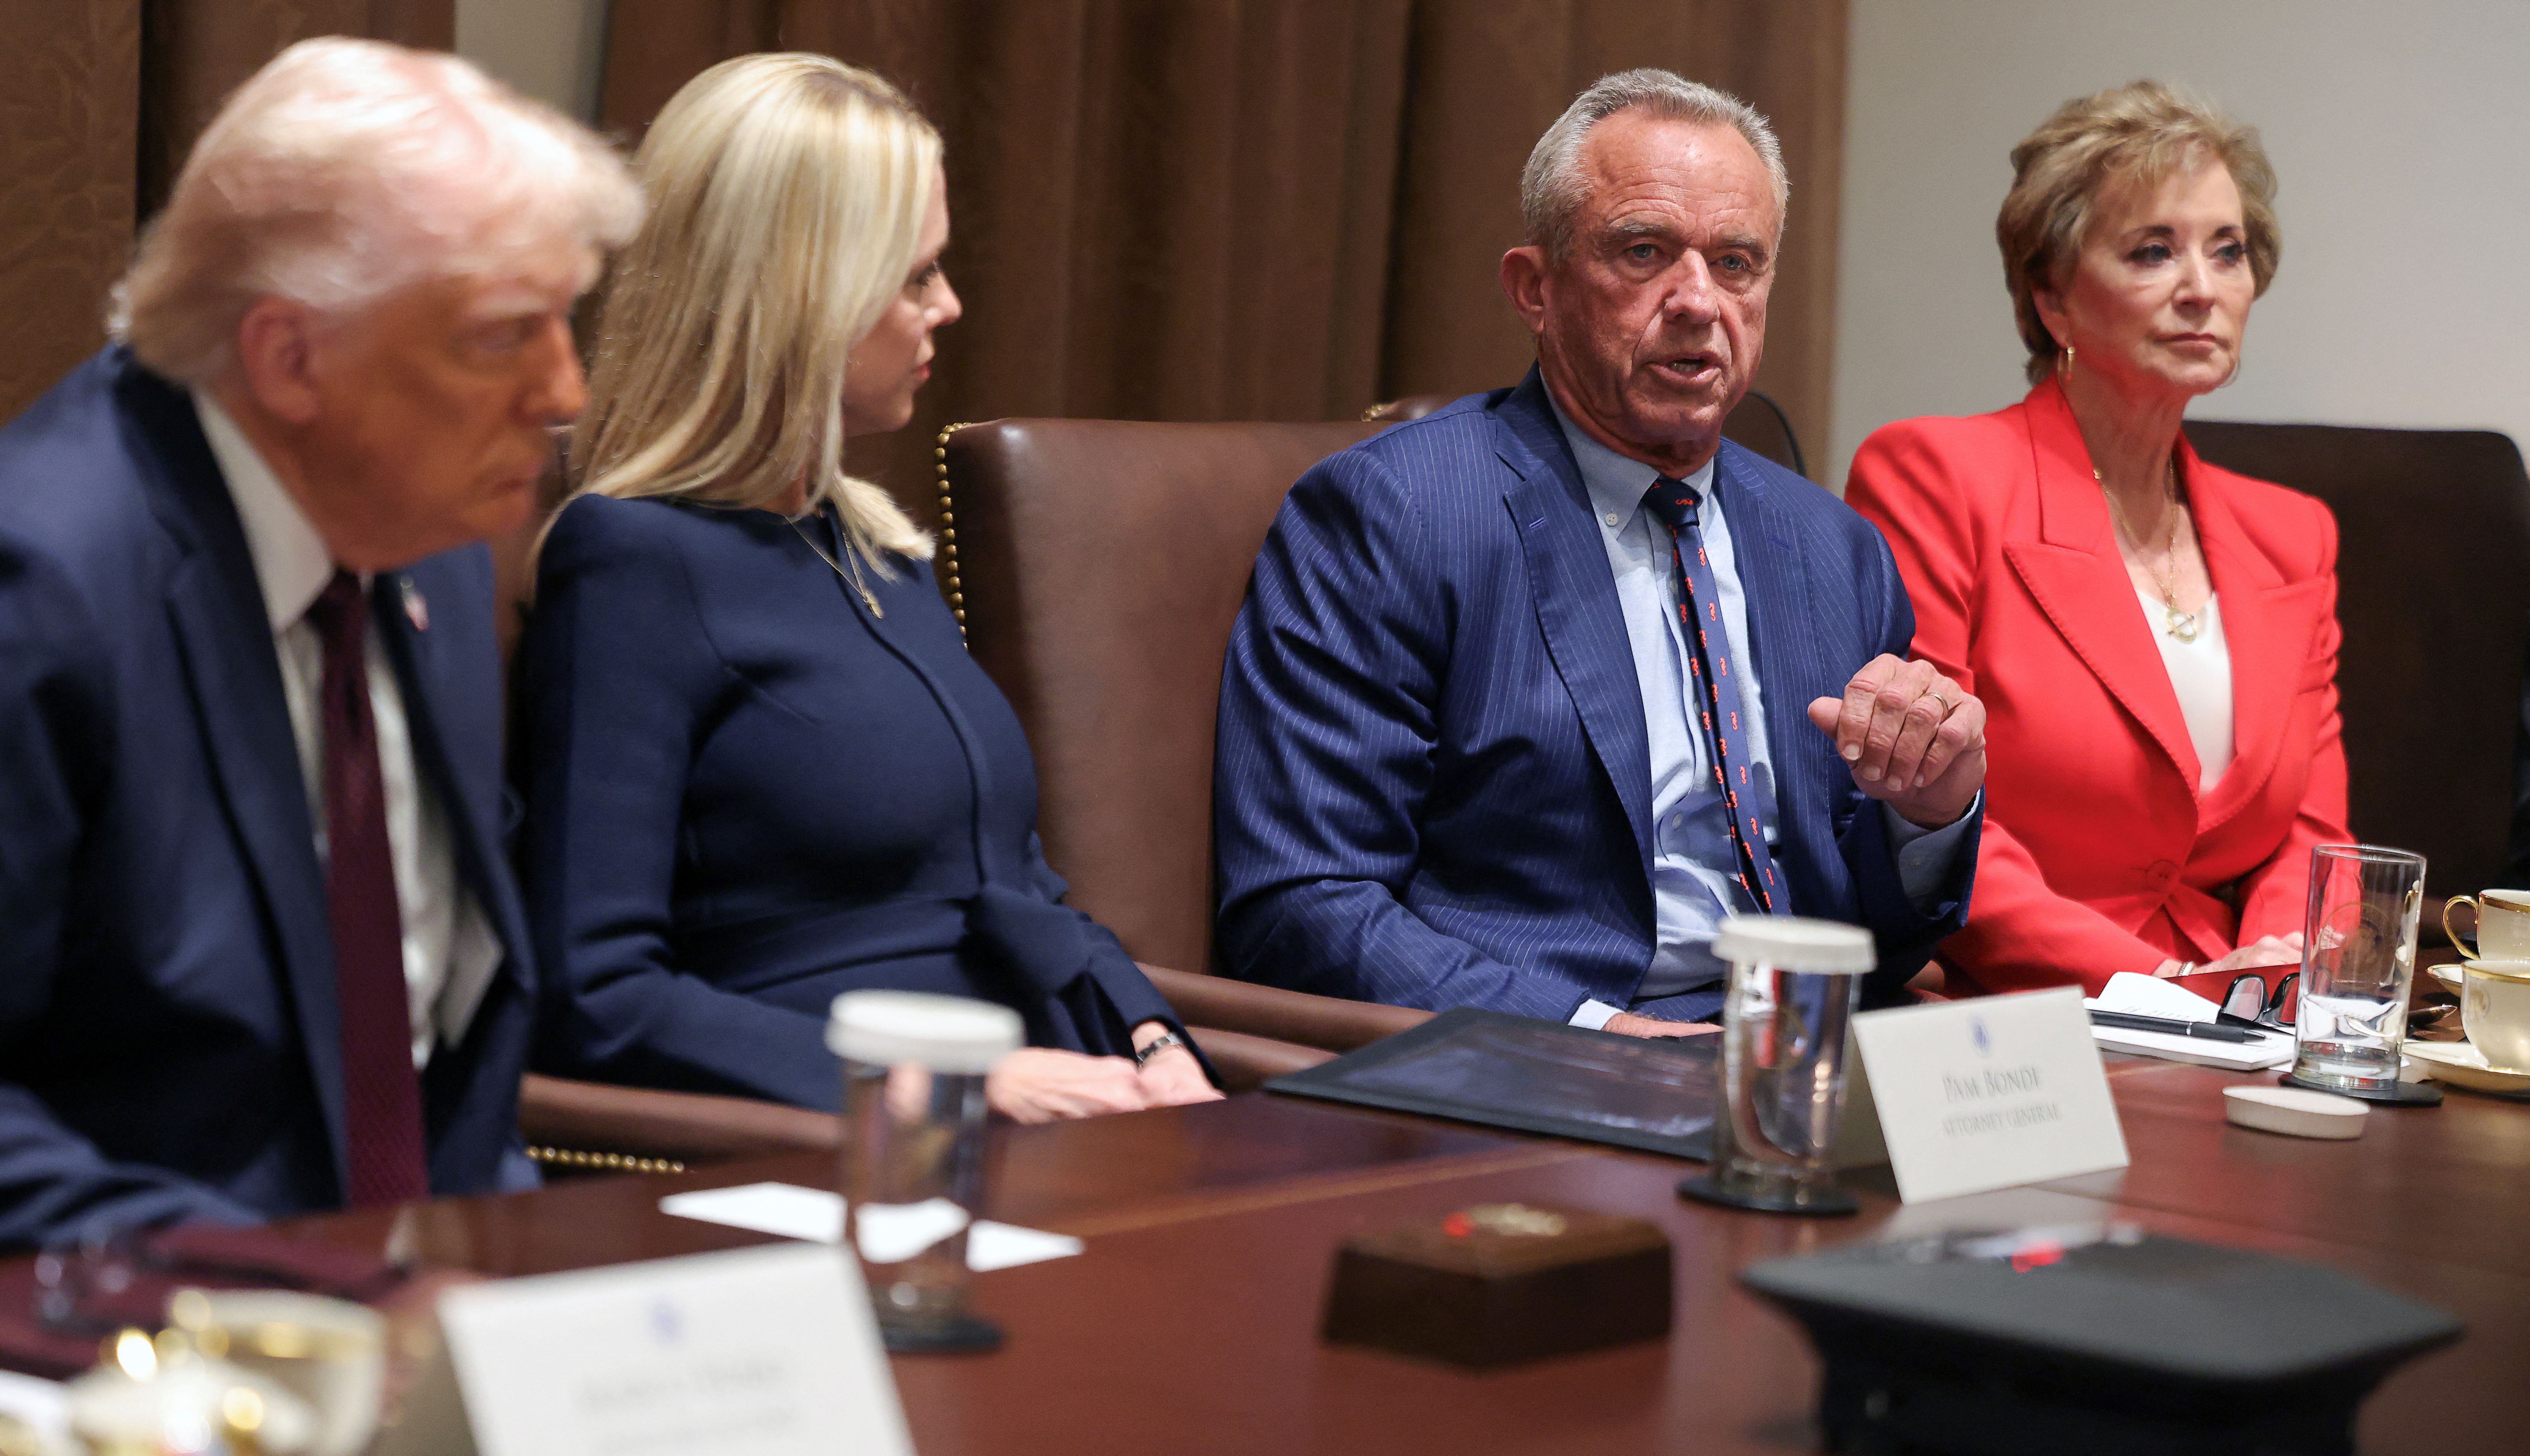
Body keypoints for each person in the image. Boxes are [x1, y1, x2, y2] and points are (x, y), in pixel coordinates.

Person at [0, 40, 641, 1252]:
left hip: (421, 1308)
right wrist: (304, 1301)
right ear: (290, 357)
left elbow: (440, 1046)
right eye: (504, 335)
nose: (567, 392)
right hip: (132, 1363)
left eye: (568, 322)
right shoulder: (44, 583)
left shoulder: (432, 544)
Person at [513, 55, 1220, 1122]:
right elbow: (598, 994)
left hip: (1057, 1103)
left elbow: (1018, 887)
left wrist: (1153, 1034)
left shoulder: (871, 547)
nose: (950, 305)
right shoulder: (632, 562)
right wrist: (942, 1091)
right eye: (914, 276)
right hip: (833, 1153)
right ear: (802, 296)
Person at [1213, 70, 1985, 1031]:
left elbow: (1876, 935)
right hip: (1538, 1058)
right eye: (1645, 251)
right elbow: (1304, 904)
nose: (1699, 300)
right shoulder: (1391, 516)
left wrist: (1928, 815)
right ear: (1535, 288)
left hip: (1799, 1058)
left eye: (1737, 263)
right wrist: (1599, 1037)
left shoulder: (1833, 547)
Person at [1844, 82, 2349, 995]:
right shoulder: (1937, 476)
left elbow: (2313, 835)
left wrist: (2269, 976)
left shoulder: (2294, 535)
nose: (2203, 288)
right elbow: (1928, 799)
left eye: (2227, 251)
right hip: (2018, 1006)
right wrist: (2156, 985)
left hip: (2247, 1013)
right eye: (2153, 251)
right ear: (2053, 300)